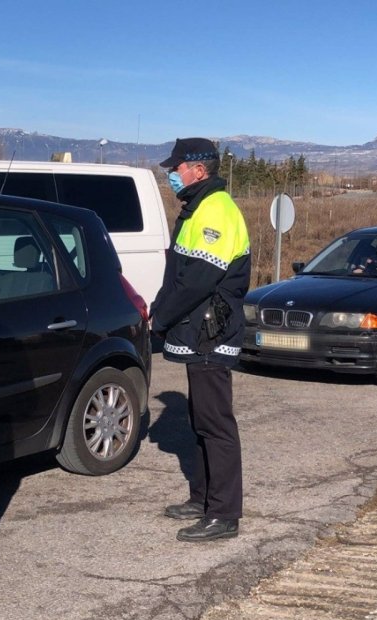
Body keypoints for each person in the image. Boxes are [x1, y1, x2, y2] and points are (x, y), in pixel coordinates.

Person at [150, 138, 251, 543]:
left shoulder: (216, 210)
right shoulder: (196, 208)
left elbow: (196, 282)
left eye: (176, 168)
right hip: (198, 331)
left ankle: (224, 514)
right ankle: (202, 499)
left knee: (215, 423)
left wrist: (161, 317)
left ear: (199, 169)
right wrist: (161, 306)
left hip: (211, 333)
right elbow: (177, 271)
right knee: (200, 421)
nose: (171, 174)